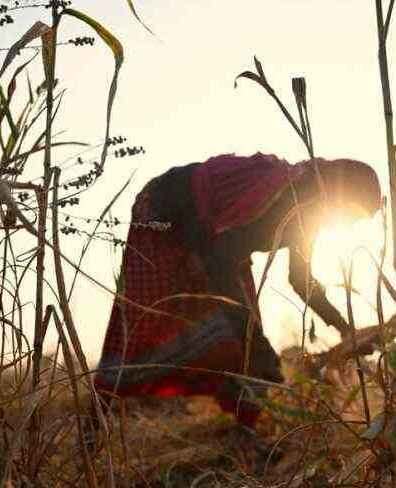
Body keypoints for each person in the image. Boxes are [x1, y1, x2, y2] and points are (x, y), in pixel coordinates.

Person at [93, 152, 381, 451]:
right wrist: (254, 340)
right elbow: (217, 259)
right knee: (145, 324)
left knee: (243, 340)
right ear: (339, 192)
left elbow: (301, 280)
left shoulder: (310, 215)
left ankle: (245, 433)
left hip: (219, 246)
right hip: (166, 215)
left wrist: (347, 332)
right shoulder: (282, 195)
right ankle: (93, 425)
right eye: (352, 215)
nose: (347, 225)